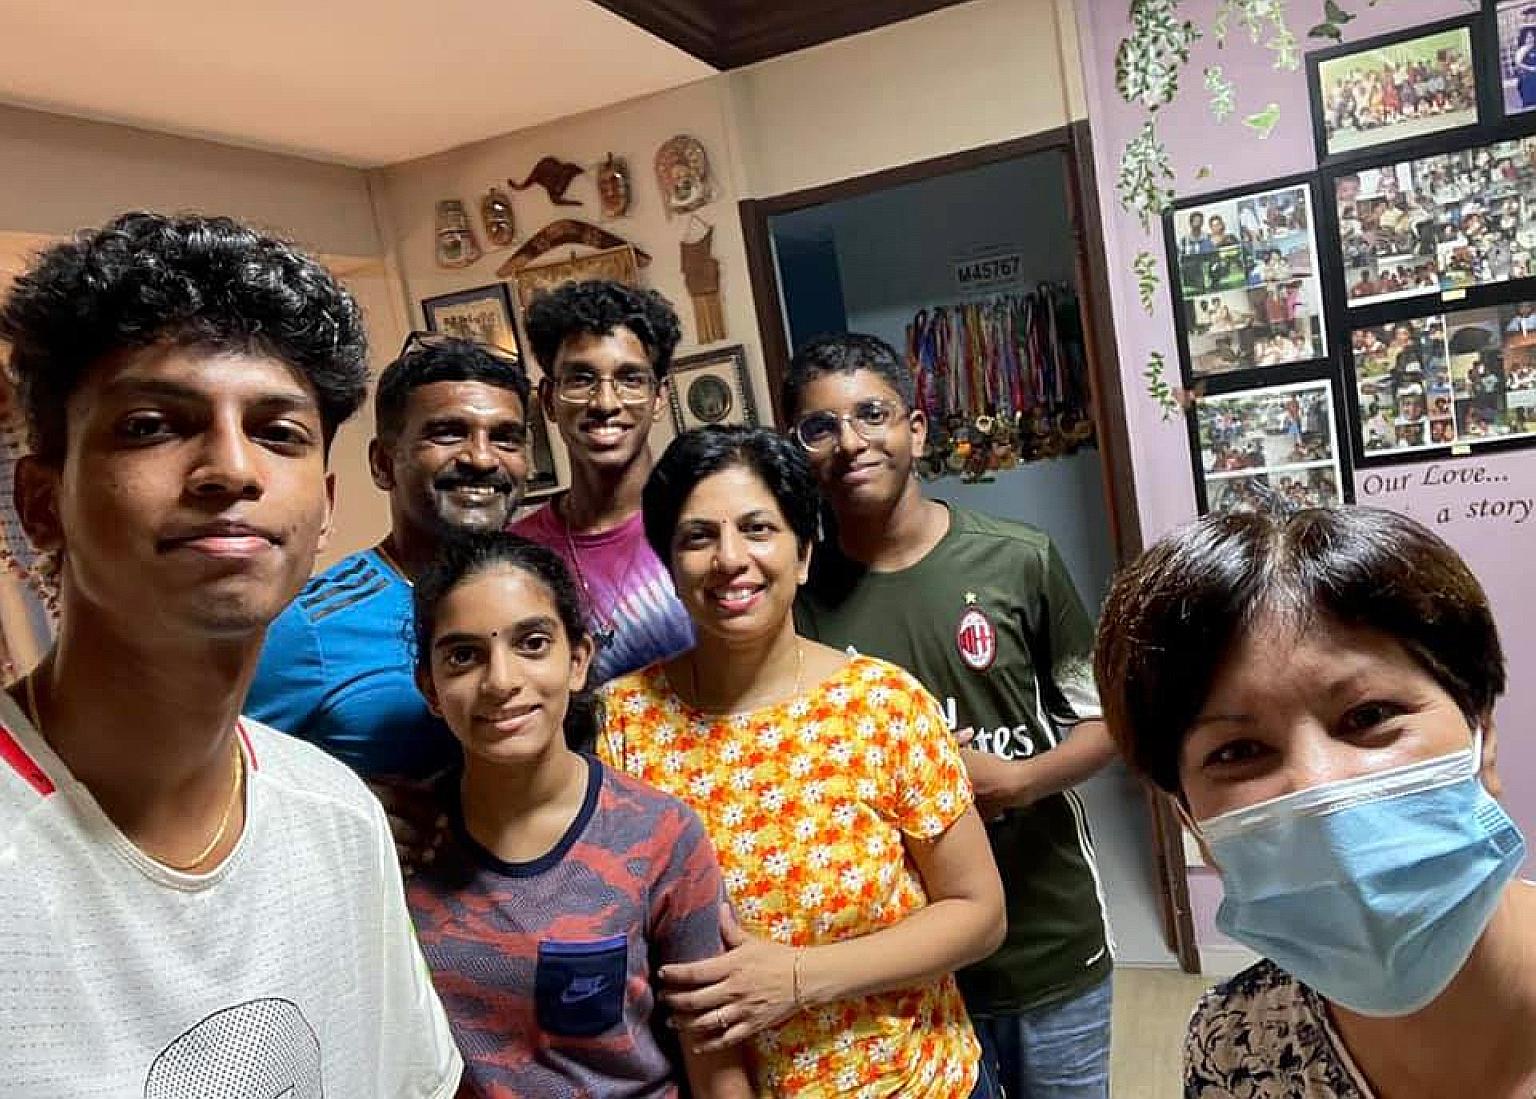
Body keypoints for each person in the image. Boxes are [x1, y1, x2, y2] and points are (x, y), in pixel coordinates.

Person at [0, 211, 460, 1095]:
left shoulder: (335, 815)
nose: (230, 468)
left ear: (324, 509)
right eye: (150, 425)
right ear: (42, 500)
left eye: (278, 431)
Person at [601, 426, 1006, 1097]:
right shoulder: (624, 723)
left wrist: (795, 979)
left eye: (758, 528)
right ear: (670, 567)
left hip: (919, 1080)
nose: (731, 558)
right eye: (698, 536)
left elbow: (980, 911)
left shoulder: (882, 703)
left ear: (804, 553)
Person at [1096, 506, 1536, 1099]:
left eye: (1370, 716)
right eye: (1238, 751)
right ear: (1192, 822)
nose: (1317, 787)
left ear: (1481, 733)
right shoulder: (1232, 1047)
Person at [785, 334, 1118, 1099]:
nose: (850, 441)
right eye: (820, 426)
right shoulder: (797, 598)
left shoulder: (1017, 557)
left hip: (1048, 941)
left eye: (872, 413)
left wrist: (1021, 781)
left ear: (917, 429)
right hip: (903, 969)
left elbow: (1109, 722)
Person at [406, 532, 751, 1097]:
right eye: (464, 656)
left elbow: (716, 1062)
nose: (501, 681)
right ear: (431, 687)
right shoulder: (400, 847)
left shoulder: (659, 835)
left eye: (533, 643)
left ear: (578, 660)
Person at [247, 333, 530, 792]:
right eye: (448, 433)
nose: (481, 457)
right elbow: (213, 779)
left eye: (505, 438)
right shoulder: (308, 625)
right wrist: (351, 811)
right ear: (382, 464)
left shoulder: (540, 597)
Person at [513, 280, 694, 687]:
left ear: (660, 397)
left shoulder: (703, 526)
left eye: (630, 379)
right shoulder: (518, 556)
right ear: (548, 400)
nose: (606, 403)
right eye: (581, 379)